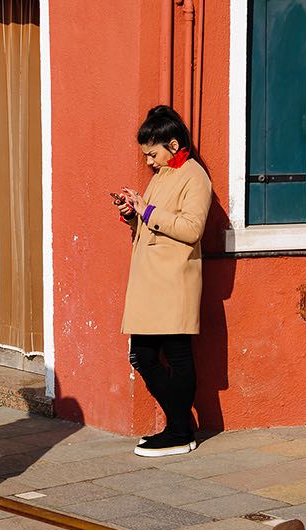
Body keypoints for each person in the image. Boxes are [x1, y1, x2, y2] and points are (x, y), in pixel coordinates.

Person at [115, 105, 212, 458]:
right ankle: (180, 424)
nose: (149, 162)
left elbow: (191, 229)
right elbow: (151, 225)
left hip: (174, 281)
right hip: (151, 282)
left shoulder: (194, 176)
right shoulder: (162, 177)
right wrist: (132, 214)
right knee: (141, 355)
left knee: (177, 355)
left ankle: (178, 430)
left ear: (172, 144)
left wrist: (147, 210)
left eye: (152, 154)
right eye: (145, 155)